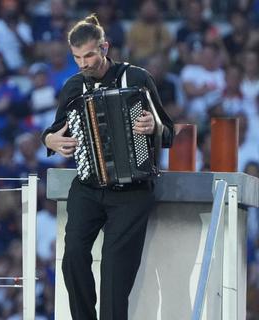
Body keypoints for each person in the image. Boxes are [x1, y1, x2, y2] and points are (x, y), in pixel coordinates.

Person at [41, 14, 174, 320]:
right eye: (76, 57)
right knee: (72, 254)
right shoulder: (74, 86)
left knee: (114, 271)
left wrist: (153, 125)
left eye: (88, 55)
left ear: (104, 47)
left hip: (132, 191)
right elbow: (54, 130)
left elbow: (168, 132)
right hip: (88, 185)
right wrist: (49, 140)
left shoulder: (137, 79)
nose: (83, 64)